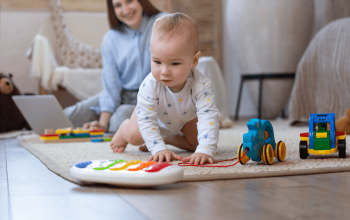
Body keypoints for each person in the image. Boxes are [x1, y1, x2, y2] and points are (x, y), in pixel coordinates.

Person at [110, 13, 220, 165]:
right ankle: (124, 129)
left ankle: (169, 138)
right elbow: (147, 120)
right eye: (157, 61)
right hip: (150, 116)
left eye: (174, 64)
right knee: (135, 137)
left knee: (197, 143)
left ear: (194, 60)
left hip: (185, 118)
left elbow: (208, 118)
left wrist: (205, 150)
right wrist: (158, 149)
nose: (164, 71)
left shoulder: (200, 85)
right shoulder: (150, 84)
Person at [64, 0, 166, 133]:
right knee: (68, 116)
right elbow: (111, 85)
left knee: (119, 119)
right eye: (118, 5)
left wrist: (106, 123)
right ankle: (102, 119)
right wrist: (102, 124)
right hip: (123, 94)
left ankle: (108, 120)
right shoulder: (110, 39)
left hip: (153, 97)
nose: (125, 10)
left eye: (129, 1)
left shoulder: (163, 23)